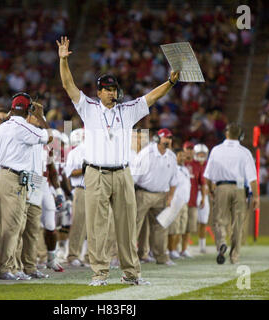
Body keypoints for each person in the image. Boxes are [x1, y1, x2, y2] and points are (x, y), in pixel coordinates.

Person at [57, 36, 179, 286]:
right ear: (99, 91)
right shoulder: (88, 107)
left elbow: (151, 97)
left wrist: (169, 82)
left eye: (115, 89)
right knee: (97, 226)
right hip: (96, 173)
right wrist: (62, 61)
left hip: (123, 173)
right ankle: (99, 273)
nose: (113, 93)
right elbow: (69, 85)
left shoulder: (128, 109)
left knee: (126, 227)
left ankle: (131, 273)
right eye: (108, 89)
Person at [0, 92, 52, 280]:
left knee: (30, 224)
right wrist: (40, 116)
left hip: (31, 178)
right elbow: (48, 136)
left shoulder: (4, 127)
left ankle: (28, 266)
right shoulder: (26, 128)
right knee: (14, 224)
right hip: (17, 176)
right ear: (29, 109)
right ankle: (10, 266)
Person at [203, 123, 259, 264]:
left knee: (219, 220)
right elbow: (252, 178)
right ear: (240, 135)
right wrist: (256, 196)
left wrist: (210, 189)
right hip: (240, 189)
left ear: (226, 134)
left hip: (221, 188)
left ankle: (222, 242)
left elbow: (208, 175)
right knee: (237, 224)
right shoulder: (245, 152)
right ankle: (234, 256)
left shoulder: (216, 150)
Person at [133, 128, 178, 266]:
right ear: (158, 139)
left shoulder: (171, 156)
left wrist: (170, 197)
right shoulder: (146, 153)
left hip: (161, 195)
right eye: (166, 137)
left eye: (170, 138)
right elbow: (134, 176)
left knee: (160, 227)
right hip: (143, 193)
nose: (168, 140)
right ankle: (127, 257)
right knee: (134, 226)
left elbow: (174, 180)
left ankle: (161, 257)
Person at [65, 128, 89, 267]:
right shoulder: (76, 152)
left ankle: (90, 257)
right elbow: (70, 173)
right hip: (82, 189)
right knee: (79, 224)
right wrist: (83, 169)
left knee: (95, 225)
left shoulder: (101, 151)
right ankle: (73, 255)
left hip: (98, 189)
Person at [182, 141, 207, 258]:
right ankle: (173, 249)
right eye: (188, 149)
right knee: (177, 227)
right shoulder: (180, 162)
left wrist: (203, 197)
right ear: (184, 150)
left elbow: (202, 183)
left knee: (189, 227)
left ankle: (184, 248)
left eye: (191, 149)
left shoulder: (198, 165)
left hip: (192, 200)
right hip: (180, 200)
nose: (190, 151)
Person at [167, 148, 191, 264]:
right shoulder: (173, 169)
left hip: (184, 203)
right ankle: (170, 250)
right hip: (175, 201)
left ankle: (175, 249)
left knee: (181, 228)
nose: (182, 158)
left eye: (183, 156)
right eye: (180, 155)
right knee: (173, 229)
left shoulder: (186, 169)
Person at [193, 143, 210, 253]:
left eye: (203, 154)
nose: (201, 156)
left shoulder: (209, 164)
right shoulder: (190, 164)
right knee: (187, 222)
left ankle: (202, 245)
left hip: (205, 194)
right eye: (199, 153)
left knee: (203, 221)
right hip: (192, 194)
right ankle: (180, 247)